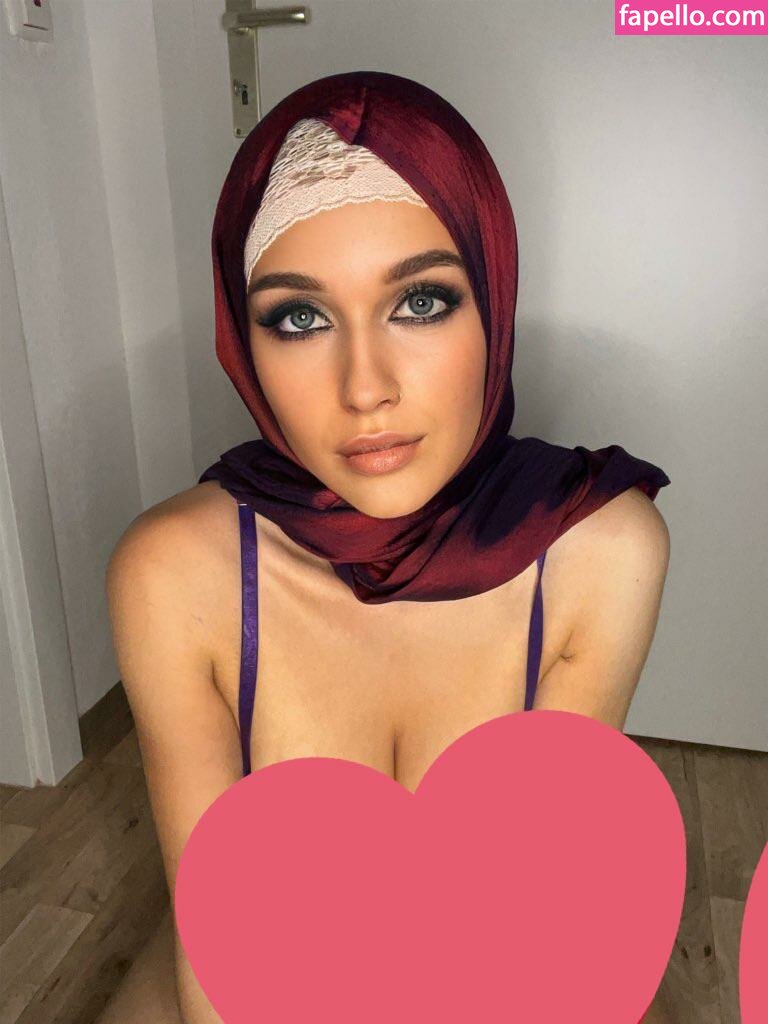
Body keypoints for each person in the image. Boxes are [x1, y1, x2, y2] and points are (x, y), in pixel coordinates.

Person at [102, 72, 674, 1023]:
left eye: (420, 302)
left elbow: (538, 942)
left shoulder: (597, 552)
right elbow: (218, 971)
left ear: (493, 299)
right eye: (299, 317)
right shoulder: (176, 575)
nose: (364, 388)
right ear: (243, 339)